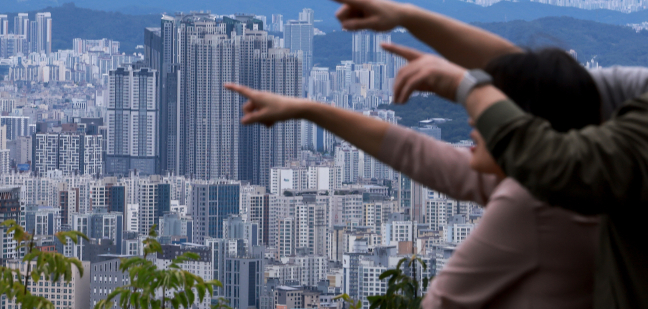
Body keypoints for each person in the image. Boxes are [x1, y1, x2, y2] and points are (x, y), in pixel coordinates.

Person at [312, 0, 648, 307]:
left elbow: (555, 160)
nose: (475, 121)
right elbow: (545, 85)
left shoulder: (534, 202)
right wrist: (409, 17)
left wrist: (468, 88)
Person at [225, 47, 600, 308]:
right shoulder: (565, 183)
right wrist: (309, 109)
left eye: (490, 111)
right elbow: (418, 155)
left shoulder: (528, 202)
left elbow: (443, 300)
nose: (472, 120)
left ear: (522, 129)